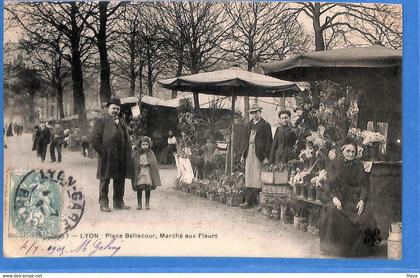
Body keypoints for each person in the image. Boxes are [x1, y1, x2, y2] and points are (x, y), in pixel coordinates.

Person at [320, 138, 376, 257]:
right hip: (338, 197)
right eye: (348, 151)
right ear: (342, 151)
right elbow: (330, 184)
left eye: (353, 152)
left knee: (366, 215)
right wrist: (334, 198)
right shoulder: (334, 164)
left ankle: (357, 251)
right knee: (333, 211)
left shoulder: (359, 166)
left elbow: (364, 185)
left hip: (355, 199)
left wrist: (361, 200)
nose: (350, 154)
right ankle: (335, 248)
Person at [91, 98, 132, 212]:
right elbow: (94, 139)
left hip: (121, 156)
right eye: (113, 108)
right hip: (107, 156)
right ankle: (103, 204)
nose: (115, 111)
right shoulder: (101, 121)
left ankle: (119, 202)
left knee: (120, 179)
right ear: (108, 109)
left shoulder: (122, 121)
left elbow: (126, 138)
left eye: (118, 109)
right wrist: (103, 153)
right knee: (105, 179)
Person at [240, 103, 273, 209]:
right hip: (249, 152)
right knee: (249, 176)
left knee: (259, 177)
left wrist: (267, 156)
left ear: (260, 112)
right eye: (252, 113)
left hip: (260, 154)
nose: (254, 115)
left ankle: (261, 203)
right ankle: (248, 202)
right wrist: (242, 154)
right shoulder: (248, 125)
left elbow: (269, 142)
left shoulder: (265, 125)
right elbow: (244, 140)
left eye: (256, 112)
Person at [131, 136, 161, 210]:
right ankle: (139, 203)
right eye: (143, 145)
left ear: (149, 145)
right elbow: (134, 162)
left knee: (148, 188)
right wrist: (139, 164)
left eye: (146, 145)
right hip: (140, 172)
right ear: (140, 145)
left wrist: (148, 164)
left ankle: (147, 203)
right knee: (139, 188)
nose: (145, 146)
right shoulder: (137, 153)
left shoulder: (150, 153)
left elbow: (153, 163)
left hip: (147, 173)